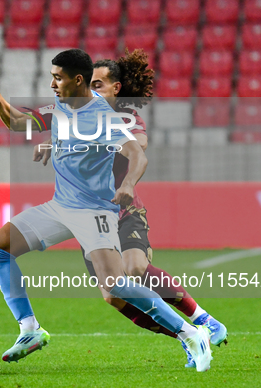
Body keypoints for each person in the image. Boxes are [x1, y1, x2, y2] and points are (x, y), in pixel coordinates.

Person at [0, 48, 213, 372]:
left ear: (78, 80)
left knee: (115, 286)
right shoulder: (59, 107)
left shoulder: (102, 117)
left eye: (58, 77)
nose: (53, 84)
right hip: (60, 206)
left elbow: (137, 156)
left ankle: (191, 334)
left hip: (94, 212)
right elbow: (18, 122)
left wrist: (127, 184)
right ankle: (30, 329)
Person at [34, 50, 228, 369]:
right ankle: (189, 336)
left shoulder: (123, 118)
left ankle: (204, 320)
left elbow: (140, 145)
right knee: (114, 297)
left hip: (124, 211)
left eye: (99, 84)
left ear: (116, 89)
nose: (91, 90)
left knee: (136, 269)